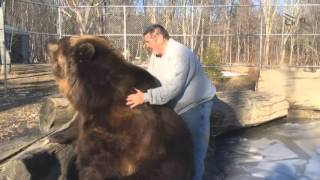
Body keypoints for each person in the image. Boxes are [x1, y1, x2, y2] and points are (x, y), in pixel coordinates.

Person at [126, 24, 216, 180]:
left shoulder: (179, 54)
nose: (146, 46)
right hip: (175, 105)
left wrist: (145, 97)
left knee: (194, 151)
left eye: (148, 42)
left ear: (159, 38)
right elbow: (152, 79)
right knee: (177, 149)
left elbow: (172, 89)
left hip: (196, 106)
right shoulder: (156, 55)